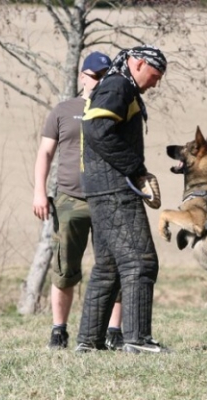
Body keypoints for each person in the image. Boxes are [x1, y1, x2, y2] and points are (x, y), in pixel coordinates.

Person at [75, 45, 167, 354]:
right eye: (155, 75)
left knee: (109, 267)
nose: (156, 83)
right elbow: (98, 130)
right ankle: (137, 340)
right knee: (140, 262)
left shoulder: (114, 83)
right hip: (114, 188)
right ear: (139, 63)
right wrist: (136, 169)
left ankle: (88, 342)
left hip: (100, 187)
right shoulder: (119, 85)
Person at [33, 51, 123, 350]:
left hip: (108, 199)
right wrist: (39, 191)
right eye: (95, 77)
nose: (98, 83)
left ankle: (114, 331)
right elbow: (45, 153)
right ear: (82, 76)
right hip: (70, 198)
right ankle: (59, 330)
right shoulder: (63, 110)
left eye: (104, 78)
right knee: (65, 268)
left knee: (113, 266)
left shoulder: (118, 108)